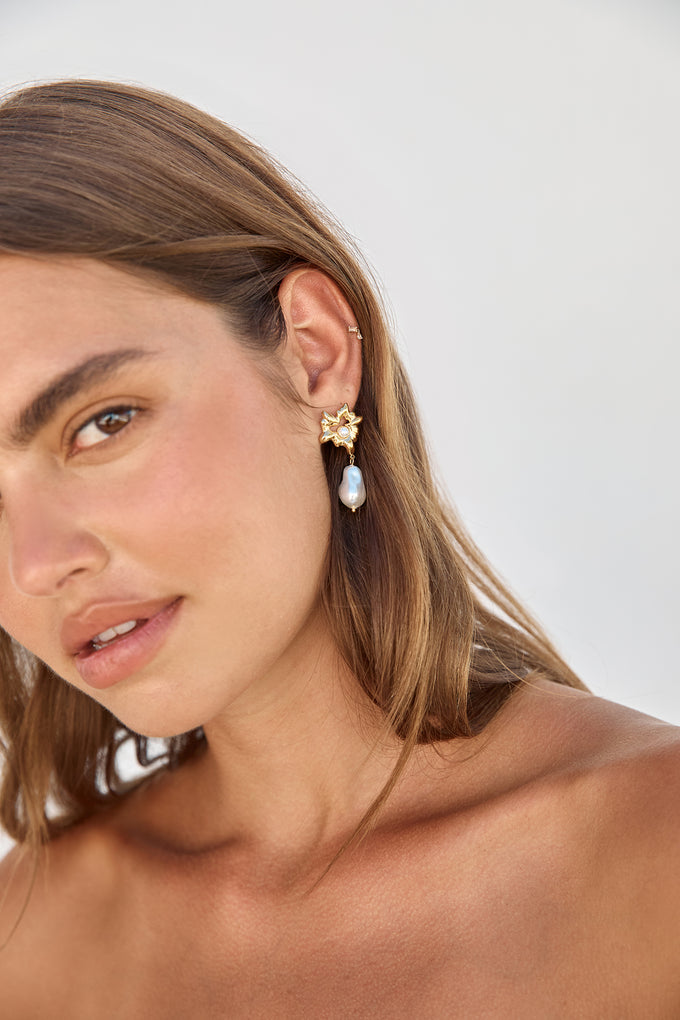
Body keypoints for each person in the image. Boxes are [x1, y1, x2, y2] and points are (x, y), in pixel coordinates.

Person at [0, 79, 678, 1017]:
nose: (36, 564)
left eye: (103, 423)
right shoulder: (30, 941)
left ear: (315, 353)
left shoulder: (655, 856)